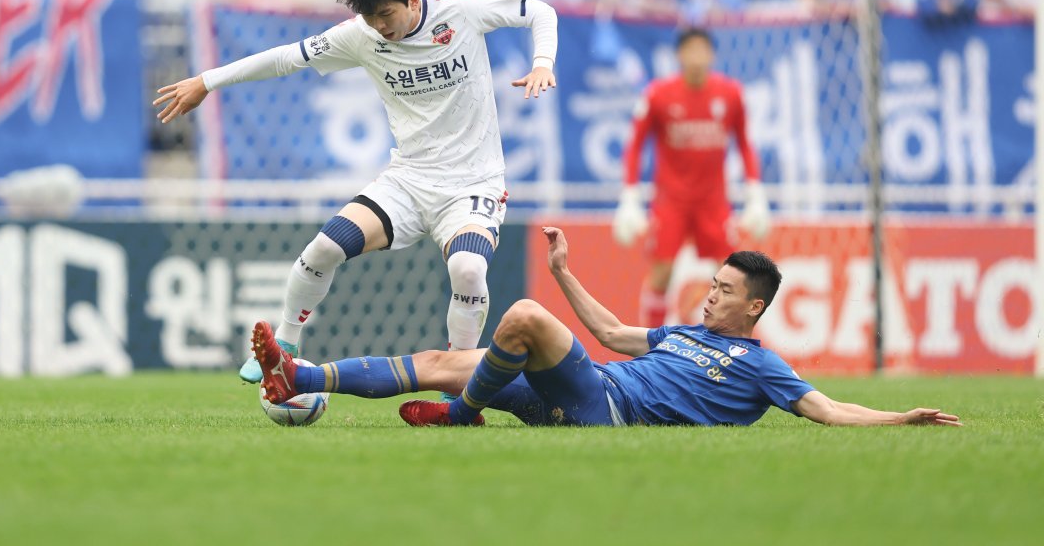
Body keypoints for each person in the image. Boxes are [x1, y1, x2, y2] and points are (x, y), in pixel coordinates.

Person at [154, 0, 558, 384]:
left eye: (386, 14)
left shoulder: (461, 10)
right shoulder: (361, 35)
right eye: (370, 18)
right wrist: (207, 81)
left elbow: (540, 11)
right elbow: (286, 57)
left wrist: (542, 63)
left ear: (414, 0)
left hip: (472, 184)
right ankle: (285, 347)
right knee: (324, 248)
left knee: (468, 268)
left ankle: (456, 379)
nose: (380, 26)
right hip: (408, 181)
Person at [253, 227, 962, 429]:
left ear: (754, 309)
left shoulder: (759, 365)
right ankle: (302, 376)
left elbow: (827, 408)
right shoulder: (687, 331)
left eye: (724, 292)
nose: (710, 297)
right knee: (447, 357)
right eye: (711, 285)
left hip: (607, 408)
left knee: (521, 319)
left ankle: (462, 416)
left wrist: (900, 417)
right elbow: (617, 333)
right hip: (584, 392)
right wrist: (564, 272)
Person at [613, 27, 769, 328]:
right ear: (680, 55)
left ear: (711, 55)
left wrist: (755, 193)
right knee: (662, 270)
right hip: (671, 201)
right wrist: (629, 197)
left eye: (703, 50)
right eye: (691, 51)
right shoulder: (658, 95)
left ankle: (736, 345)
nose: (697, 58)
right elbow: (634, 146)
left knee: (733, 272)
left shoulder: (730, 94)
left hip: (713, 202)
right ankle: (650, 346)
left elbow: (746, 144)